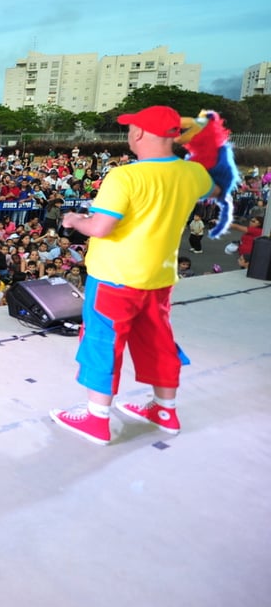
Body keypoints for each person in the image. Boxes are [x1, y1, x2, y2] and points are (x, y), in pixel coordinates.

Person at [51, 106, 215, 446]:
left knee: (102, 341)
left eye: (131, 129)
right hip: (160, 278)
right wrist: (185, 134)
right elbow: (211, 187)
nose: (129, 134)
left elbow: (101, 227)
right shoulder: (193, 173)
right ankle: (164, 410)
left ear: (138, 134)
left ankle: (96, 419)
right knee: (158, 340)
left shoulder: (124, 177)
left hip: (115, 277)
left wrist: (73, 220)